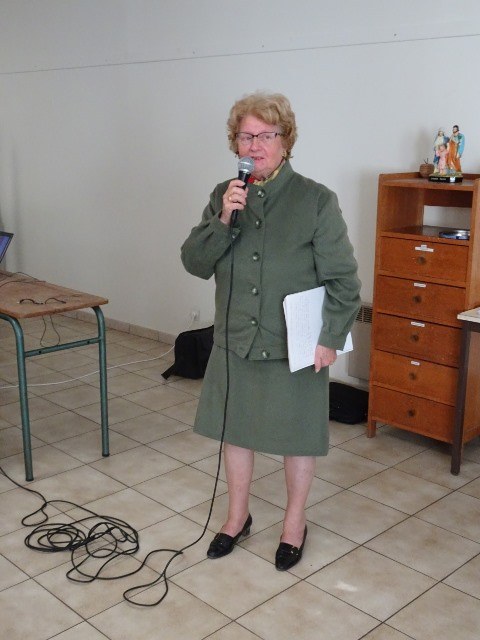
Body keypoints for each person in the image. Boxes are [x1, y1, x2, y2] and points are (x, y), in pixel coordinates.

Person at [181, 92, 361, 571]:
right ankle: (236, 517)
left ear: (285, 141)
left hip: (294, 345)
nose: (255, 145)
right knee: (236, 434)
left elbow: (344, 281)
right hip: (236, 340)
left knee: (296, 439)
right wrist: (224, 217)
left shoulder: (316, 200)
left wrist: (330, 337)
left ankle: (294, 524)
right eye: (246, 136)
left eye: (266, 135)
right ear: (235, 143)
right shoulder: (224, 195)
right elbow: (195, 262)